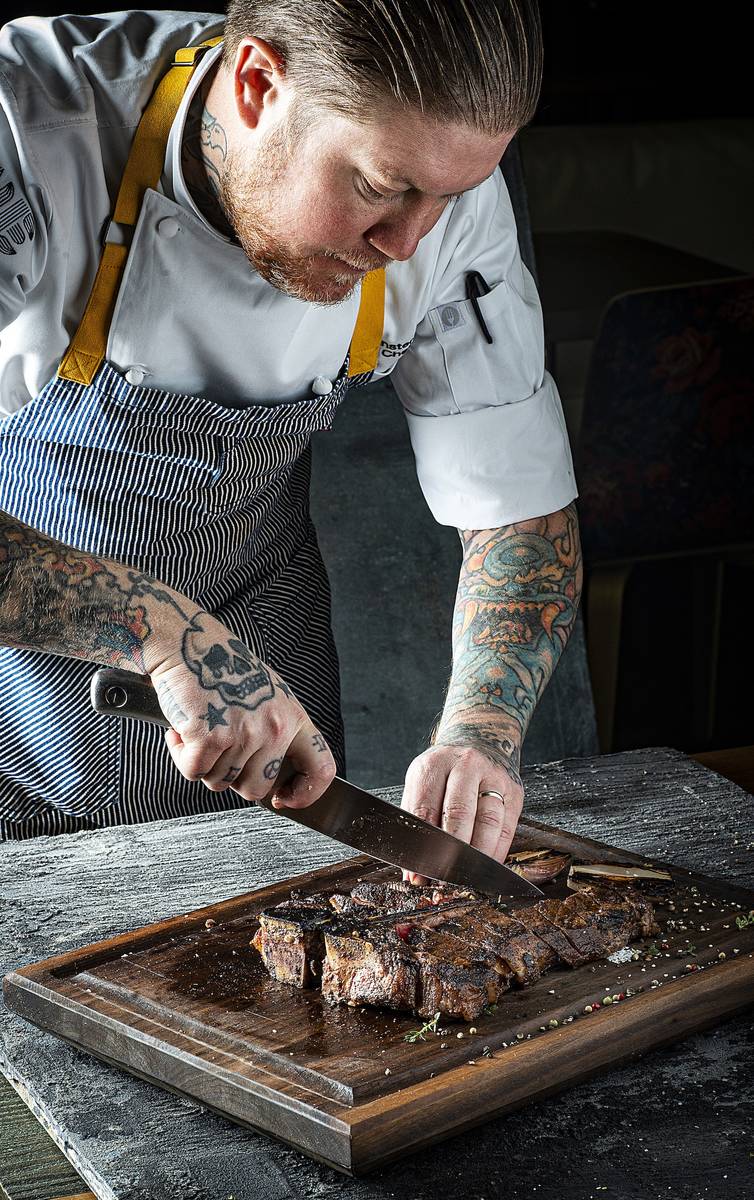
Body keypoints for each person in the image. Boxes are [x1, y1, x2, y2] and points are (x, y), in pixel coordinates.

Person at [0, 1, 581, 857]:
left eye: (446, 198)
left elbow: (520, 509)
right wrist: (164, 633)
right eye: (380, 188)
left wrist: (482, 728)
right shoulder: (31, 128)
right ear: (257, 83)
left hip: (273, 689)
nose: (407, 242)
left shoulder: (441, 215)